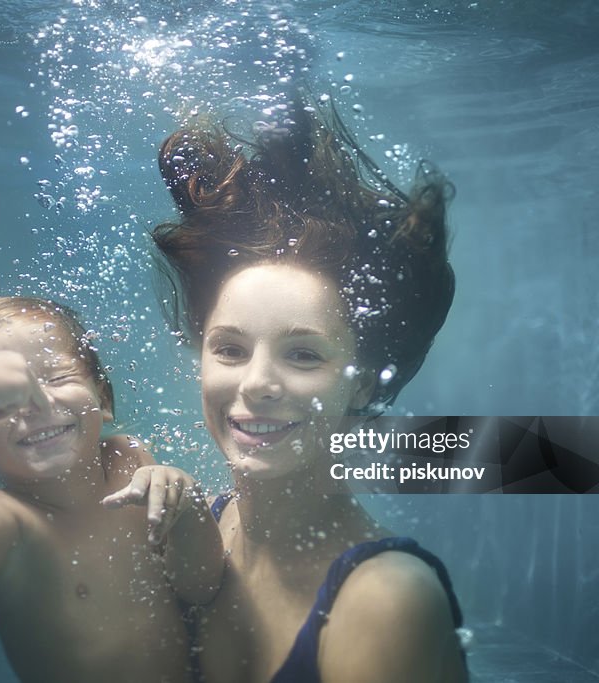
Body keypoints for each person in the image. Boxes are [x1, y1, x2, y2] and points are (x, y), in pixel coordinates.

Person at [151, 95, 468, 682]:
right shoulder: (201, 536)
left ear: (364, 379)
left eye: (302, 354)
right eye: (229, 348)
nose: (257, 383)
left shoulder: (385, 601)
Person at [0, 296, 221, 683]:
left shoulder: (128, 459)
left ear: (102, 396)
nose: (34, 404)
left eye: (56, 377)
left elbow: (201, 585)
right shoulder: (10, 522)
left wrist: (187, 506)